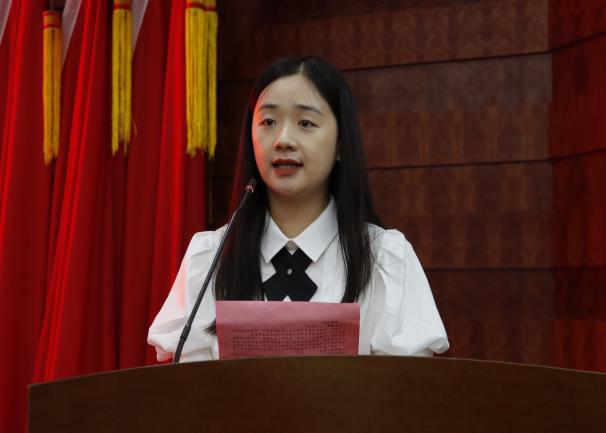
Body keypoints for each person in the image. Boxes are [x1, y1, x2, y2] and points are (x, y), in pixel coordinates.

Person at [147, 55, 449, 362]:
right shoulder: (211, 258)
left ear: (341, 142)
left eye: (305, 123)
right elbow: (189, 385)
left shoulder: (385, 258)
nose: (283, 140)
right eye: (268, 122)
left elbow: (406, 384)